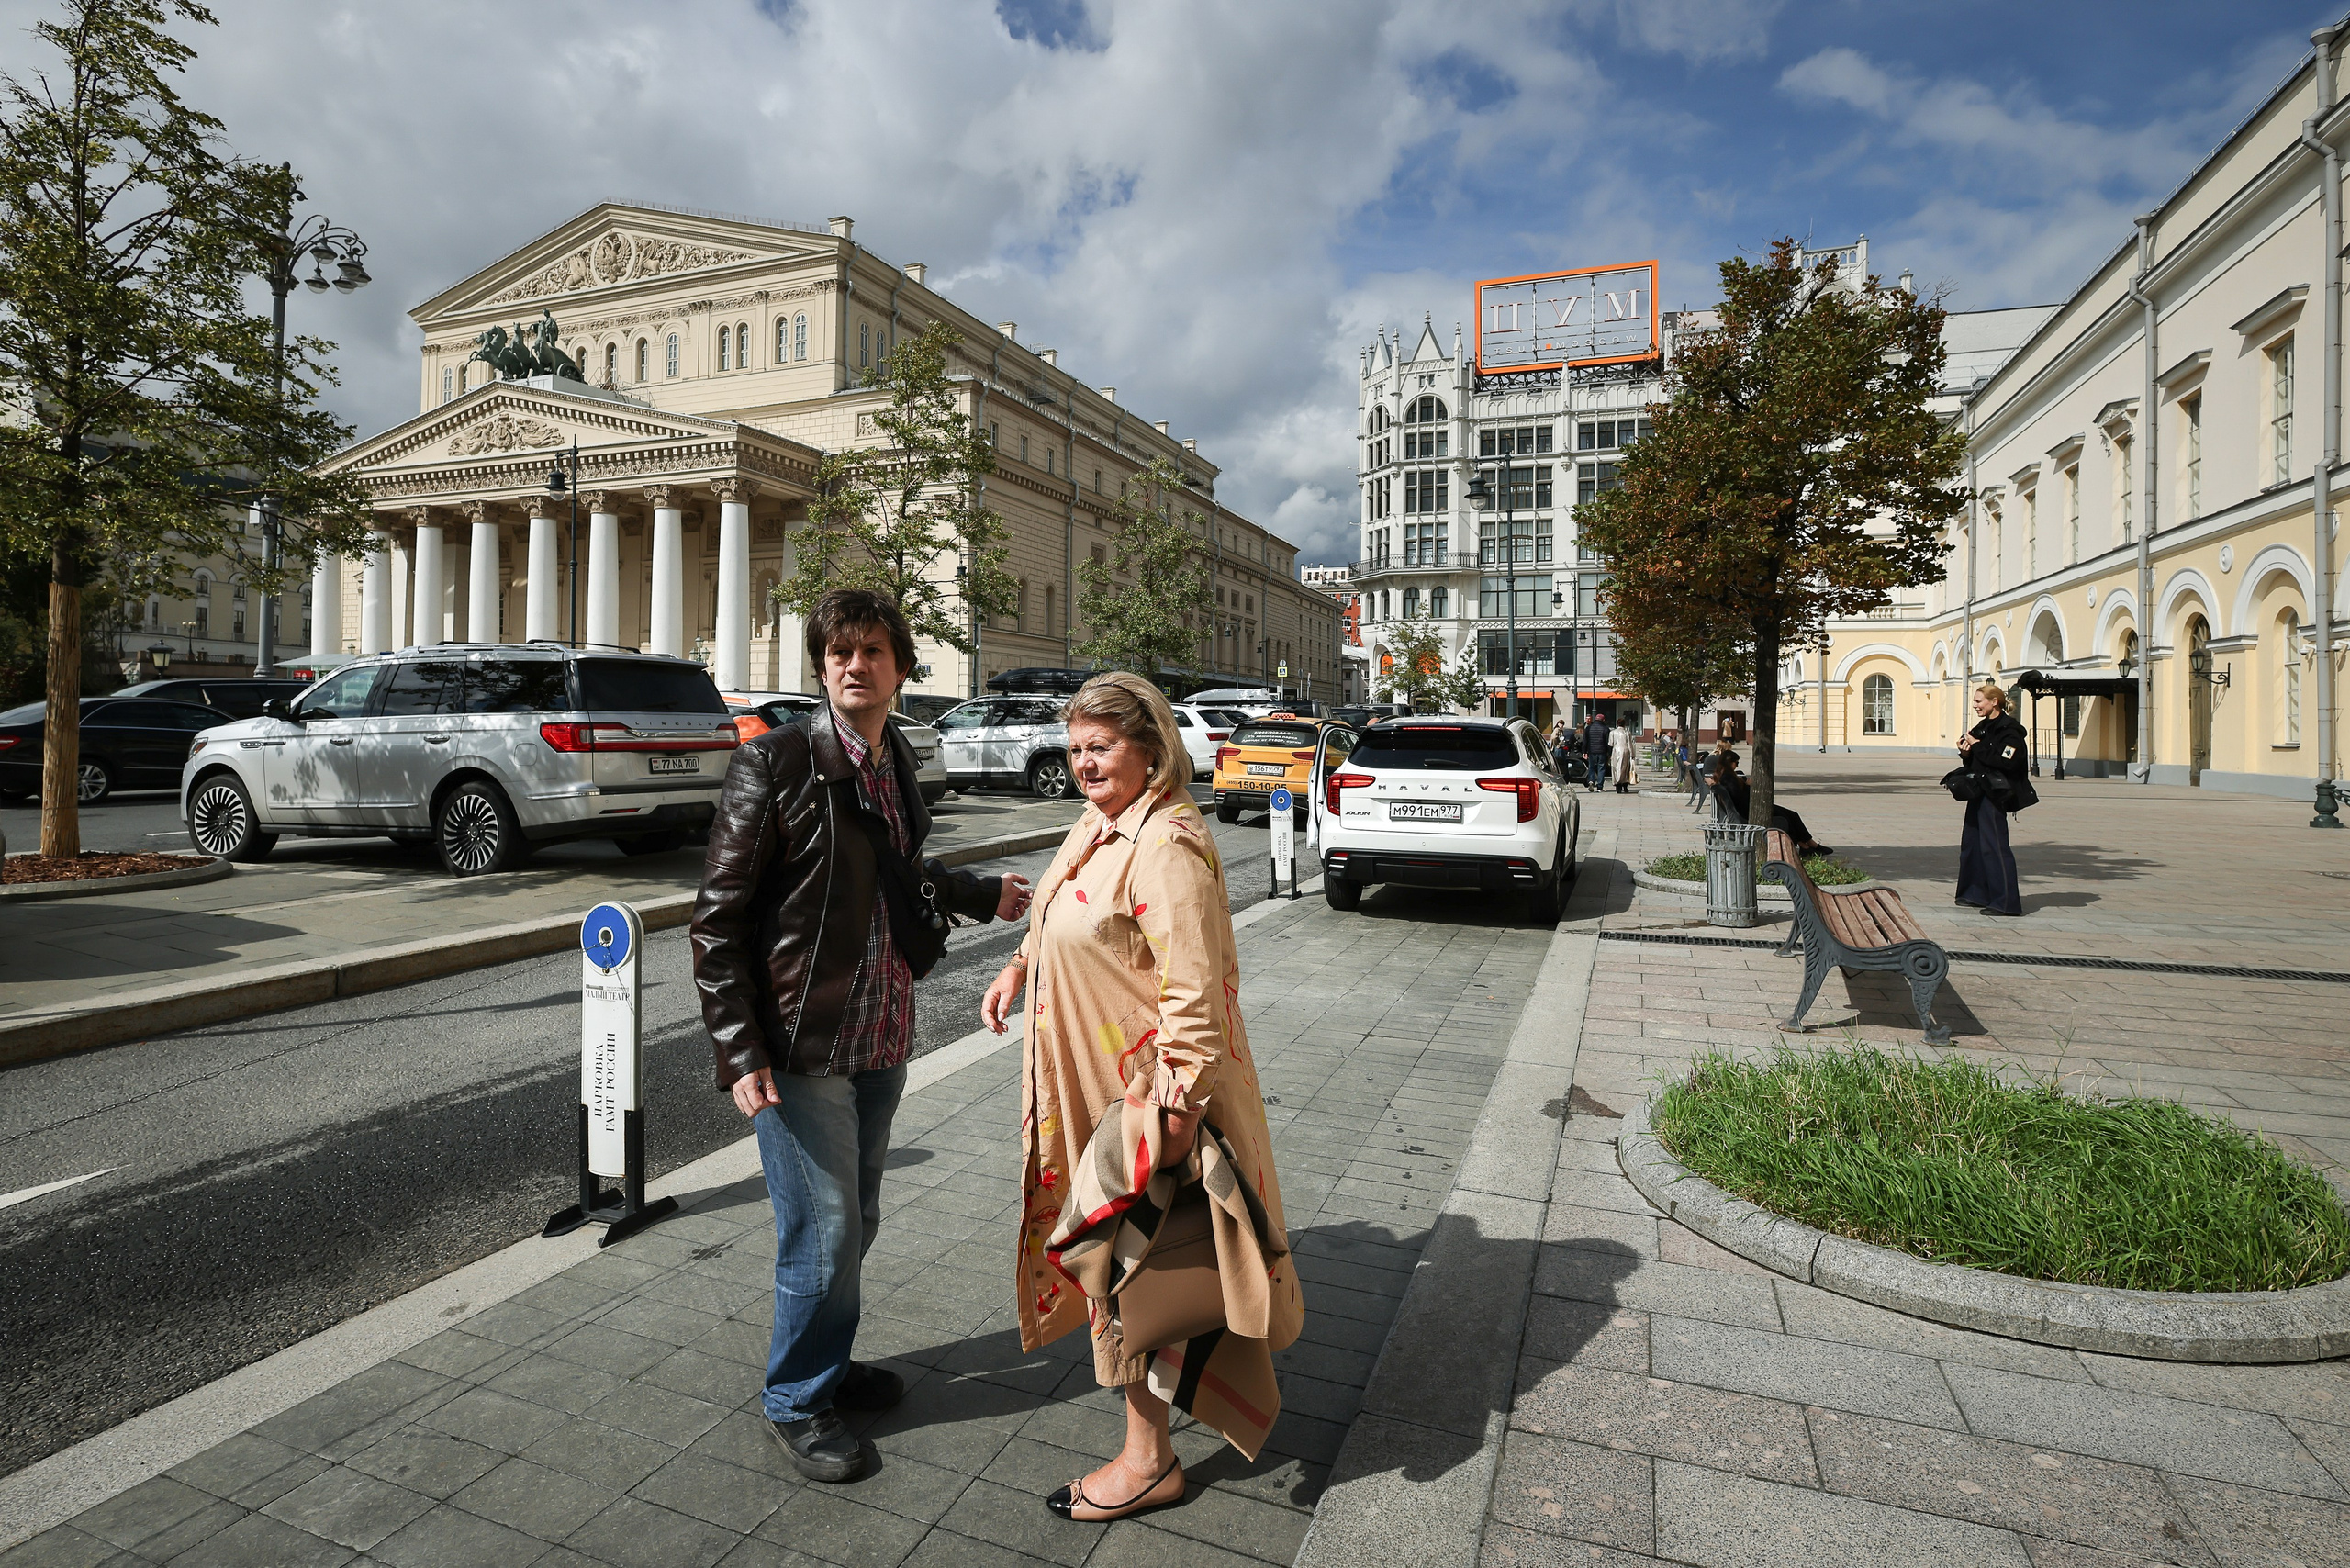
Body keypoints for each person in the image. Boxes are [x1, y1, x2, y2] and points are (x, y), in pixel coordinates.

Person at [691, 588, 1032, 1483]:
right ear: (819, 665)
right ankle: (797, 1400)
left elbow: (898, 867)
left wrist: (977, 892)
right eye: (839, 651)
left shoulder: (896, 754)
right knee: (825, 1228)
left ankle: (828, 1360)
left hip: (882, 1032)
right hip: (803, 1048)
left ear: (901, 667)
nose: (854, 664)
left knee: (856, 1220)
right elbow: (716, 922)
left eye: (873, 650)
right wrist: (739, 1049)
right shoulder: (773, 765)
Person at [980, 672, 1301, 1523]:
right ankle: (1152, 1441)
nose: (1085, 764)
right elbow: (1057, 908)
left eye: (1103, 747)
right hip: (1094, 1093)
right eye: (1077, 747)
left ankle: (1148, 1459)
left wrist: (1170, 1120)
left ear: (1153, 750)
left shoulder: (1166, 842)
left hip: (1142, 1107)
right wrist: (1020, 965)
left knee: (1135, 1267)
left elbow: (1194, 996)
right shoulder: (1102, 823)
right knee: (1128, 1265)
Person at [1955, 680, 2030, 916]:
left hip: (1995, 795)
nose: (1975, 706)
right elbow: (1978, 760)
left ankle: (2006, 902)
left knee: (1994, 847)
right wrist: (1966, 752)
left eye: (1979, 701)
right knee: (1973, 844)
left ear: (1994, 701)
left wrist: (1976, 747)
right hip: (1978, 791)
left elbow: (2006, 761)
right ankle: (1975, 893)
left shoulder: (2010, 730)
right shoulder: (1982, 728)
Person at [1712, 747, 1835, 858]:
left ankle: (1807, 846)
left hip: (1746, 808)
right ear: (1729, 762)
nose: (1737, 766)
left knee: (1792, 815)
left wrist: (1744, 782)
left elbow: (1737, 791)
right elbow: (1739, 796)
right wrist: (1748, 786)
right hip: (1746, 811)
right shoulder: (1728, 778)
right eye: (1736, 763)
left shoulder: (1725, 776)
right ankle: (1808, 846)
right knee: (1787, 817)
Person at [1582, 710, 1611, 793]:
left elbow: (1585, 741)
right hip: (1602, 751)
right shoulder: (1605, 729)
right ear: (1603, 720)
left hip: (1591, 751)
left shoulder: (1589, 728)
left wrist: (1584, 751)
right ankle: (1599, 787)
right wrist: (1610, 753)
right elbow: (1608, 742)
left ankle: (1591, 780)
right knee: (1601, 768)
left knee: (1591, 767)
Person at [1607, 717, 1634, 794]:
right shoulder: (1627, 732)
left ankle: (1618, 786)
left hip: (1616, 751)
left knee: (1616, 768)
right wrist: (1632, 754)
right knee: (1625, 768)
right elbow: (1630, 744)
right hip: (1625, 751)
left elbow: (1610, 743)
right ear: (1624, 724)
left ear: (1617, 724)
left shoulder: (1612, 732)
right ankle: (1625, 786)